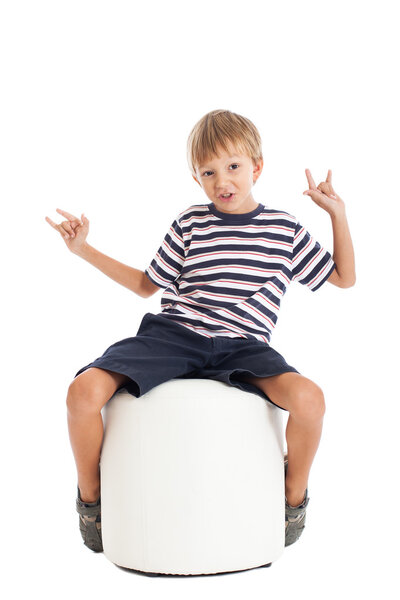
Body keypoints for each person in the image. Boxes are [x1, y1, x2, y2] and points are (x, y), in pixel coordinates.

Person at [45, 109, 356, 553]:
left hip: (243, 347)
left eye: (233, 167)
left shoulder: (283, 229)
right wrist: (83, 250)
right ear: (197, 179)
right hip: (174, 336)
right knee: (82, 393)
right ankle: (90, 499)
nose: (221, 181)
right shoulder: (191, 222)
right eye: (208, 172)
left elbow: (344, 278)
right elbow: (144, 285)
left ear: (257, 167)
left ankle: (293, 497)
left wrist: (337, 214)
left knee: (310, 399)